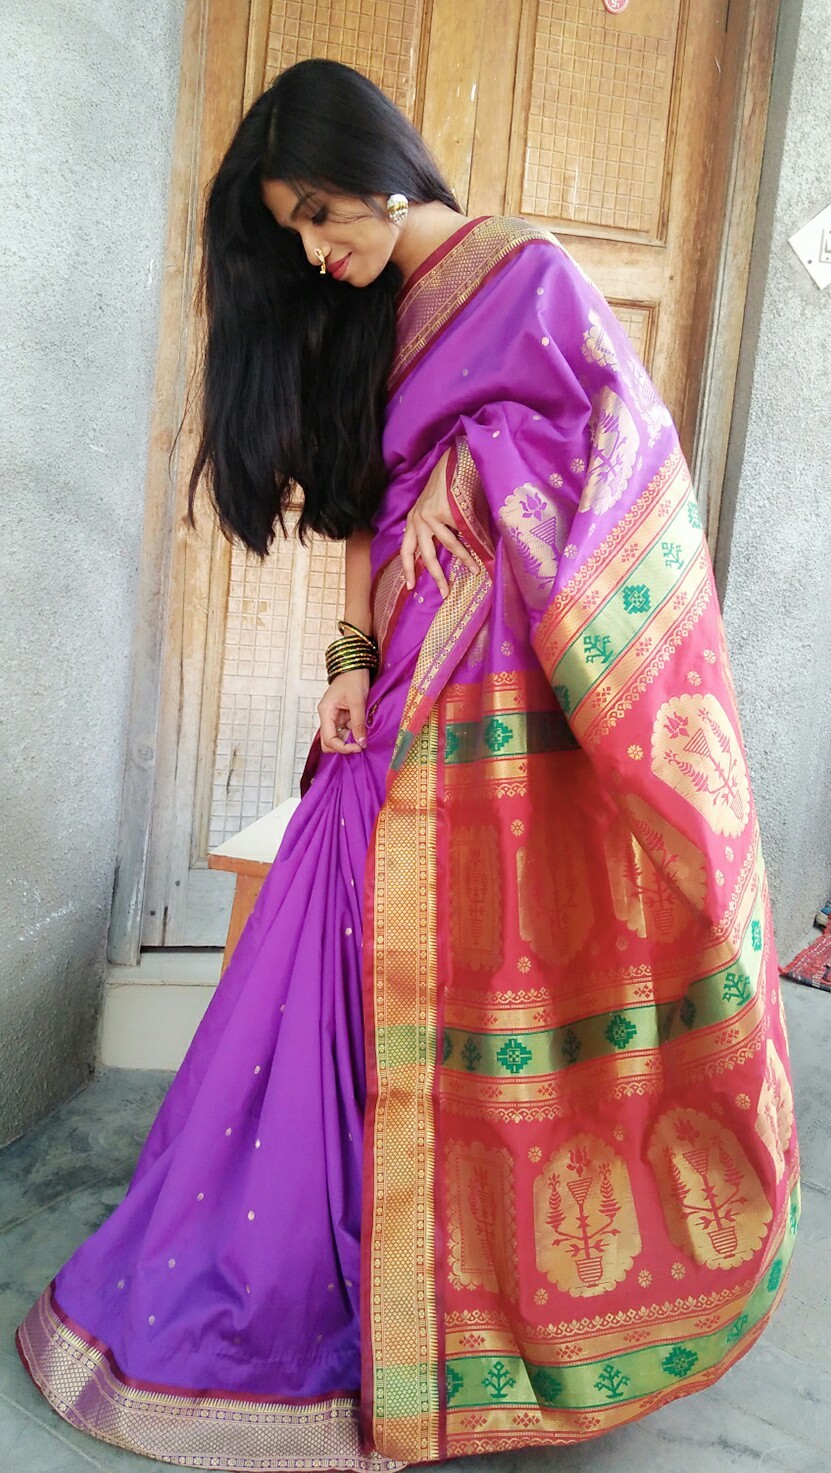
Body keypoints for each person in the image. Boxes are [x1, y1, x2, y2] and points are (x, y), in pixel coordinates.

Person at [16, 57, 799, 1471]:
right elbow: (360, 519)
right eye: (295, 232)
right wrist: (346, 662)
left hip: (519, 730)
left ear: (381, 168)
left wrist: (484, 458)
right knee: (335, 967)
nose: (318, 249)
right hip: (400, 703)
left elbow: (629, 462)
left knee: (477, 985)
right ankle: (338, 1284)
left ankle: (471, 1304)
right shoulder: (364, 317)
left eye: (322, 214)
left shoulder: (530, 277)